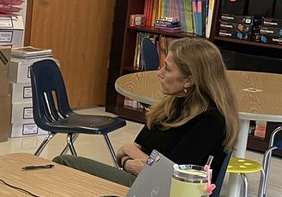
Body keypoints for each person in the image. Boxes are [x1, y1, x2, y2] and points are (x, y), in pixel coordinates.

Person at [57, 38, 239, 186]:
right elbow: (134, 151)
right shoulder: (172, 104)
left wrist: (134, 157)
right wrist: (131, 162)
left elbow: (169, 174)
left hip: (159, 196)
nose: (159, 73)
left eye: (167, 69)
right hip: (142, 181)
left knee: (64, 163)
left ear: (189, 80)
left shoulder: (210, 122)